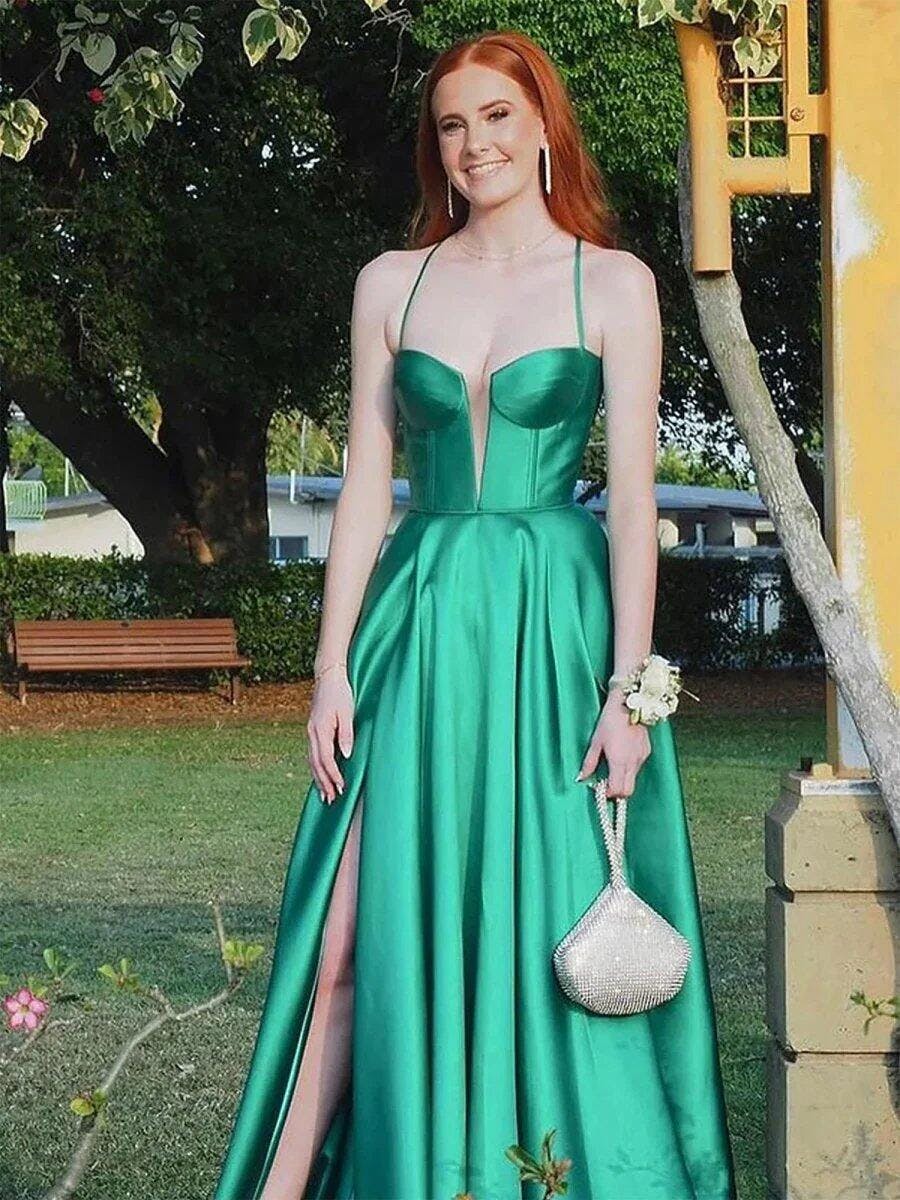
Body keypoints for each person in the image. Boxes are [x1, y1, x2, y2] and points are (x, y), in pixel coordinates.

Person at [212, 28, 737, 1200]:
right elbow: (364, 488)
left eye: (497, 116)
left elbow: (634, 504)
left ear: (544, 127)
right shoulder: (391, 284)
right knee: (347, 941)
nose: (475, 143)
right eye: (453, 124)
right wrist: (331, 669)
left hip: (556, 637)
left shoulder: (613, 283)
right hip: (419, 625)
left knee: (549, 925)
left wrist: (631, 693)